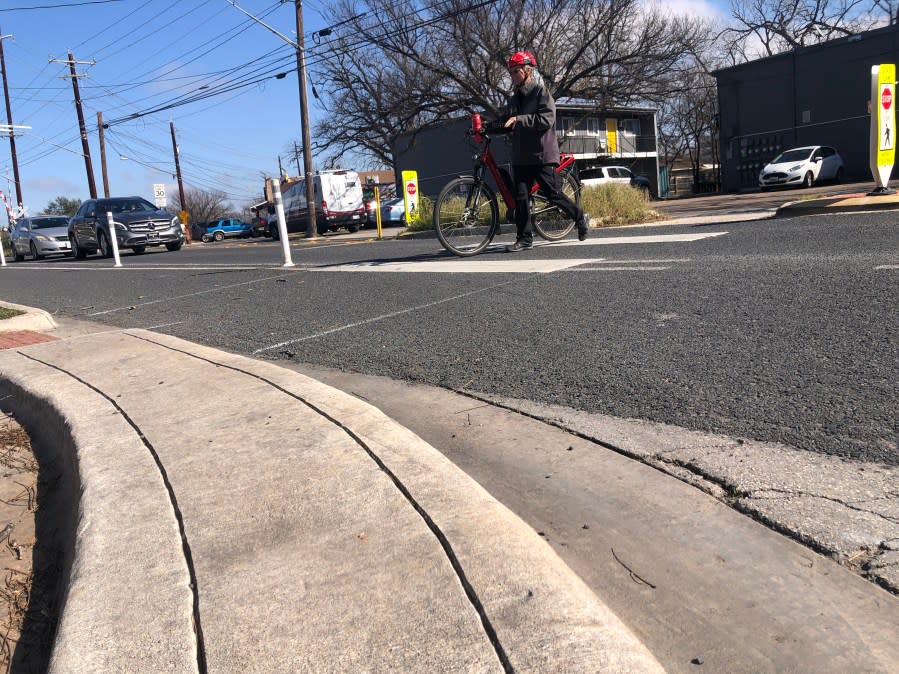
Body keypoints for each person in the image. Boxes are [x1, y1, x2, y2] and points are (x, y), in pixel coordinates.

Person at [490, 50, 589, 252]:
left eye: (516, 71)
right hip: (520, 156)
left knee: (552, 193)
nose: (513, 76)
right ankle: (524, 238)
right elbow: (505, 121)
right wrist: (485, 127)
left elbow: (546, 119)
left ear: (528, 71)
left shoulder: (541, 93)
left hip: (541, 154)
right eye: (511, 72)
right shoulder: (514, 99)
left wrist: (520, 120)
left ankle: (579, 216)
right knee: (521, 197)